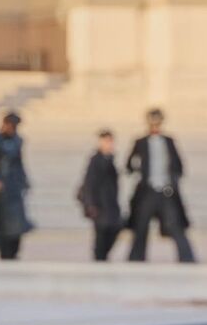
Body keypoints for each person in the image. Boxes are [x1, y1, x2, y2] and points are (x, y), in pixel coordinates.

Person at [126, 108, 195, 262]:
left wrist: (173, 180)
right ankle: (136, 258)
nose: (155, 124)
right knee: (141, 226)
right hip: (147, 191)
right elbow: (129, 164)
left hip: (166, 191)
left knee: (176, 225)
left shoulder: (169, 141)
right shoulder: (140, 142)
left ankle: (187, 257)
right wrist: (139, 172)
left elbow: (179, 164)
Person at [0, 111, 33, 260]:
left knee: (16, 220)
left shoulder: (17, 141)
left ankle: (14, 249)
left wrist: (24, 180)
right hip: (1, 188)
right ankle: (3, 249)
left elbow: (19, 162)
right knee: (2, 221)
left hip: (14, 185)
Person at [78, 130, 123, 261]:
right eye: (106, 141)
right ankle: (99, 258)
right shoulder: (96, 160)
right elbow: (89, 183)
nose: (109, 144)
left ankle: (102, 256)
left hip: (110, 203)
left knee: (114, 228)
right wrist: (91, 204)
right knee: (102, 233)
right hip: (100, 203)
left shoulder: (109, 159)